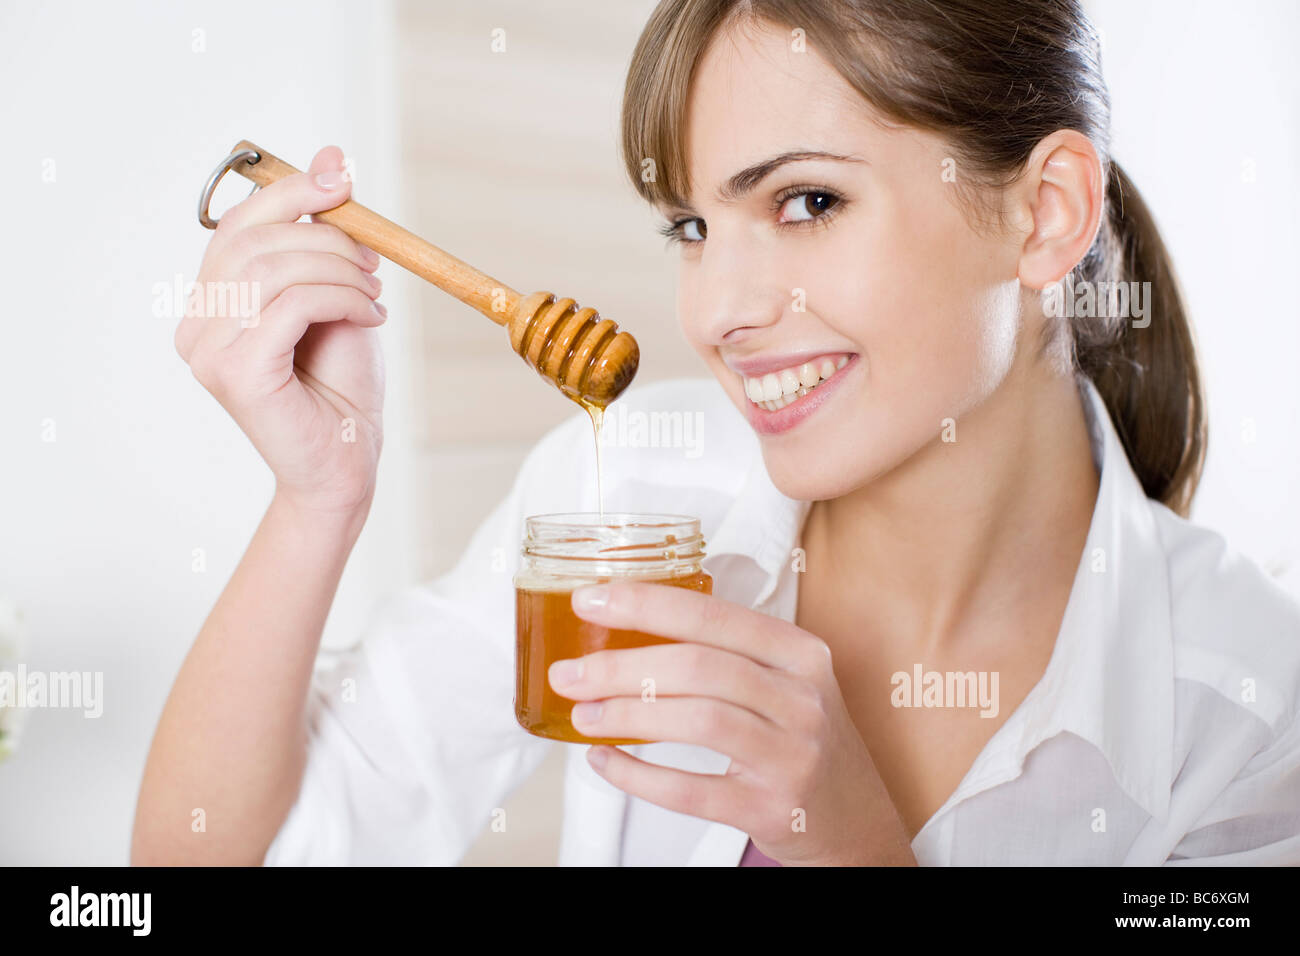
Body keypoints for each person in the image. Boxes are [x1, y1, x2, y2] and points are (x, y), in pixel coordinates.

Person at [133, 0, 1300, 865]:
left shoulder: (1247, 709)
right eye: (692, 224)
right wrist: (315, 497)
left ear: (1044, 214)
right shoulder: (635, 496)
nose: (716, 312)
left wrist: (850, 841)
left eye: (806, 202)